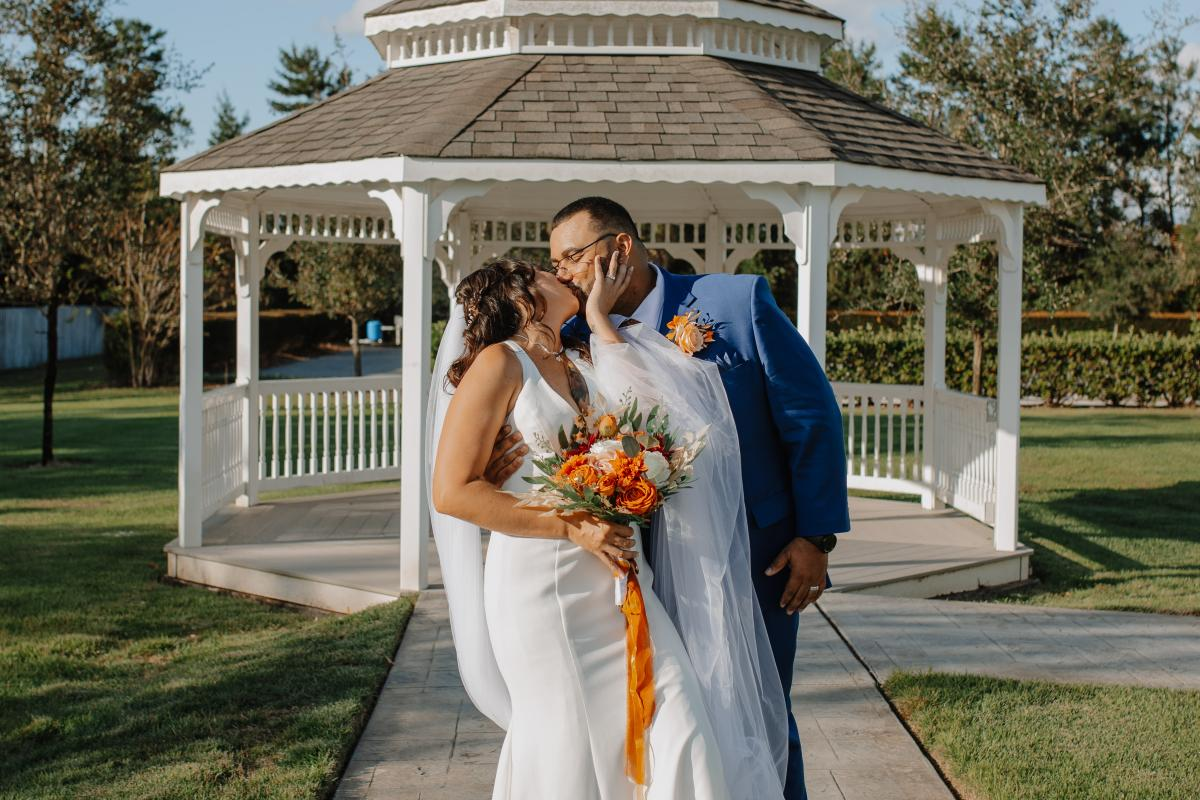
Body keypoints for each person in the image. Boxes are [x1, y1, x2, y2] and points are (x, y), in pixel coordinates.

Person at [482, 197, 851, 800]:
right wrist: (506, 454)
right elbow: (534, 415)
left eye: (572, 257)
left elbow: (810, 418)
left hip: (754, 554)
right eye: (556, 263)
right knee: (661, 721)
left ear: (619, 248)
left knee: (758, 710)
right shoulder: (567, 336)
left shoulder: (736, 304)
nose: (565, 273)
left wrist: (816, 537)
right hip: (631, 566)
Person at [429, 255, 787, 799]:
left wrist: (599, 319)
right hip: (544, 587)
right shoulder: (500, 364)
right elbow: (452, 491)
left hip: (623, 576)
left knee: (679, 719)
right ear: (523, 294)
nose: (565, 273)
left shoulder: (584, 355)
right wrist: (572, 526)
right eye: (547, 270)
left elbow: (668, 414)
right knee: (568, 743)